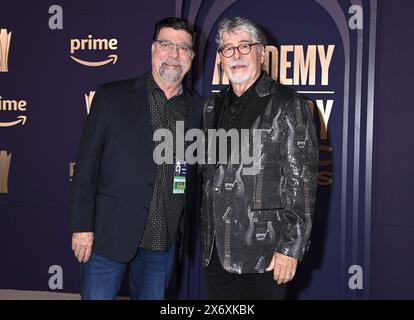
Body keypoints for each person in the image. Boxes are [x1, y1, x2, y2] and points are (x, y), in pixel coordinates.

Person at [69, 17, 202, 300]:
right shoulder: (111, 96)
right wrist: (82, 226)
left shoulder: (198, 109)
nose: (174, 55)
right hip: (108, 235)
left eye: (183, 48)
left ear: (191, 57)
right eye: (166, 45)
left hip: (162, 242)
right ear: (153, 49)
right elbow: (85, 168)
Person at [201, 17, 319, 300]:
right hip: (216, 251)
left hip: (264, 253)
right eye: (228, 49)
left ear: (262, 53)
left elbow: (301, 181)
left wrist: (291, 249)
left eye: (245, 46)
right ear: (220, 59)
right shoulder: (211, 106)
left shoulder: (288, 103)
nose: (236, 55)